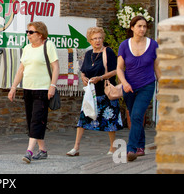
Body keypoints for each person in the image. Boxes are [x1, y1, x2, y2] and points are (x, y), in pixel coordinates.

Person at [66, 27, 123, 157]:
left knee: (110, 121)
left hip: (106, 92)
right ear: (90, 41)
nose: (97, 41)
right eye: (94, 38)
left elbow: (116, 71)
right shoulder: (88, 54)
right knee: (82, 119)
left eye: (100, 38)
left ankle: (112, 147)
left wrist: (101, 78)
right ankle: (76, 147)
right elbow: (84, 70)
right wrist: (83, 77)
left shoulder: (107, 52)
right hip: (91, 93)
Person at [8, 21, 59, 163]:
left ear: (40, 34)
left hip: (43, 89)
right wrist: (13, 87)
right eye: (27, 32)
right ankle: (42, 150)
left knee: (37, 119)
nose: (28, 35)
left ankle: (29, 151)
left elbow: (55, 67)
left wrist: (52, 85)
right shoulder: (27, 48)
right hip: (28, 89)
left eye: (31, 32)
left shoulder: (48, 46)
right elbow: (20, 70)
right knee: (32, 120)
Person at [117, 15, 160, 162]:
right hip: (129, 87)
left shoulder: (153, 45)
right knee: (135, 115)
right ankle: (141, 145)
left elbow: (157, 67)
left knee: (136, 115)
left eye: (144, 26)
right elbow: (119, 68)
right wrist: (124, 83)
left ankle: (131, 149)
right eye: (139, 26)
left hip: (147, 85)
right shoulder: (124, 45)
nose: (142, 29)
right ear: (132, 27)